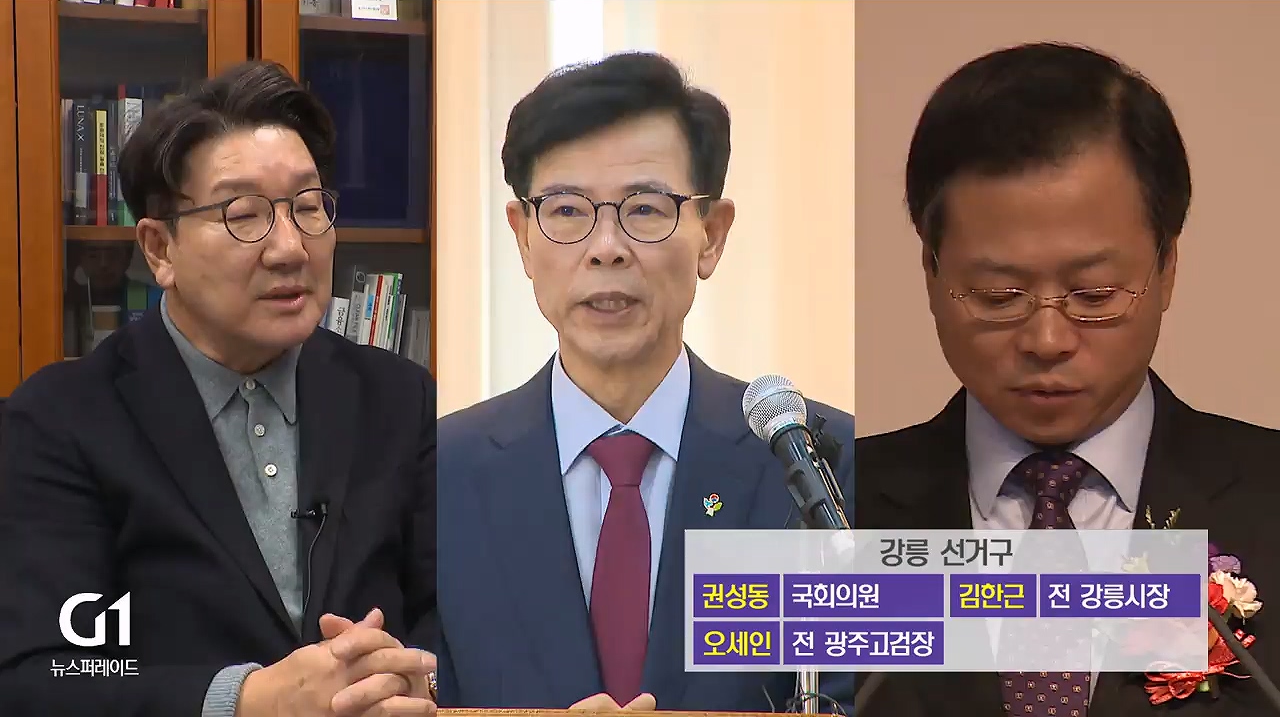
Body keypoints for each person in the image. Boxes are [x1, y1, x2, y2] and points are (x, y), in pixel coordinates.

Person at [854, 42, 1280, 716]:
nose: (1047, 340)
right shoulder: (823, 515)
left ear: (1167, 267)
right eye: (998, 296)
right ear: (932, 274)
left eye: (1094, 294)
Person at [0, 61, 438, 717]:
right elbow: (43, 673)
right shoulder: (61, 419)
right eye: (244, 214)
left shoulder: (398, 398)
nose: (290, 248)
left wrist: (418, 680)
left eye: (309, 208)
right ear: (160, 249)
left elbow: (452, 615)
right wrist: (247, 700)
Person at [435, 52, 856, 712]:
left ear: (712, 235)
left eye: (646, 208)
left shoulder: (819, 465)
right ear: (522, 238)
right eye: (567, 210)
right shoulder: (436, 477)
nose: (606, 247)